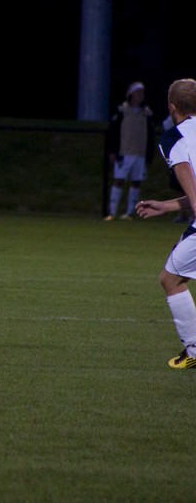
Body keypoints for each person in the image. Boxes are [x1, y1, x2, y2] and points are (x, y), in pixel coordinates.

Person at [136, 79, 196, 368]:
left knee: (170, 279)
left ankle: (195, 352)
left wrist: (192, 206)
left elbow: (187, 176)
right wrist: (167, 206)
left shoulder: (172, 138)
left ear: (172, 108)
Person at [105, 81, 156, 220]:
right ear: (131, 94)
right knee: (119, 180)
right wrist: (113, 151)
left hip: (140, 154)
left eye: (142, 92)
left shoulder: (146, 113)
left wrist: (149, 156)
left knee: (136, 182)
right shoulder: (122, 110)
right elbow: (113, 132)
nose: (140, 95)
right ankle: (112, 212)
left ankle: (129, 213)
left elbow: (150, 136)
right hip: (124, 152)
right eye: (137, 92)